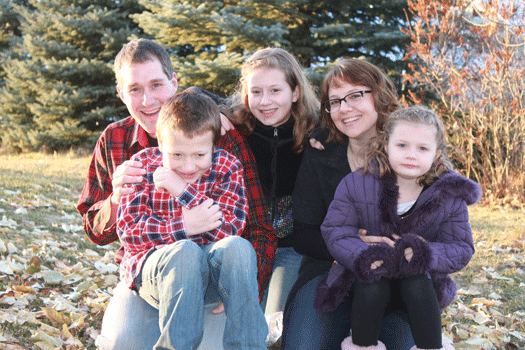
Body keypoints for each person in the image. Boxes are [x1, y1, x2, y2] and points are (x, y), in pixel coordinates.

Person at [77, 38, 275, 349]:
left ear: (174, 83)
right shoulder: (115, 141)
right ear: (121, 93)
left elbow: (258, 228)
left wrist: (249, 289)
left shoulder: (220, 136)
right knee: (124, 344)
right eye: (134, 89)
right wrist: (116, 200)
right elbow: (96, 230)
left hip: (217, 270)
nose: (147, 100)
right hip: (148, 275)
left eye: (156, 85)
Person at [316, 105, 482, 350]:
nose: (411, 155)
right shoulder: (356, 183)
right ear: (386, 145)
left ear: (436, 155)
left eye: (422, 148)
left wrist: (424, 253)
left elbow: (460, 247)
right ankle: (363, 345)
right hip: (363, 285)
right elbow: (336, 231)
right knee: (373, 283)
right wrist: (363, 254)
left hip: (419, 290)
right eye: (402, 145)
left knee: (416, 281)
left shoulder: (449, 195)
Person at [116, 91, 267, 349]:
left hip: (209, 275)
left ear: (214, 146)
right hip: (156, 276)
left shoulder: (227, 167)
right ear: (160, 144)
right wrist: (184, 226)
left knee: (239, 247)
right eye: (176, 155)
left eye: (199, 155)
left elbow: (230, 227)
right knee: (185, 252)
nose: (187, 167)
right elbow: (130, 233)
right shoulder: (141, 165)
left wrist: (183, 192)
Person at [282, 58, 415, 350]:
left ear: (378, 95)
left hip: (395, 280)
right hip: (326, 274)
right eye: (335, 101)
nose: (345, 108)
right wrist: (351, 247)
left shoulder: (410, 151)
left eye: (355, 95)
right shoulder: (321, 152)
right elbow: (304, 235)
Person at [227, 47, 320, 315]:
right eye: (256, 92)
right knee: (243, 318)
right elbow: (197, 98)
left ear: (295, 92)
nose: (265, 101)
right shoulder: (237, 130)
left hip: (293, 248)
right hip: (249, 246)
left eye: (275, 91)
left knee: (274, 321)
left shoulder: (316, 133)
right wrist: (219, 114)